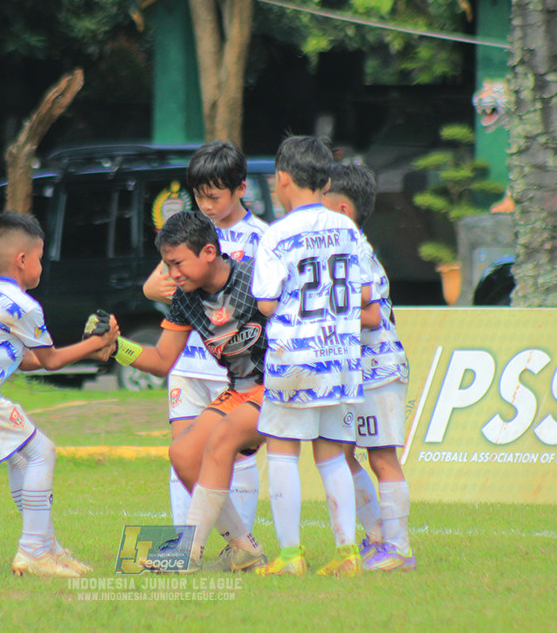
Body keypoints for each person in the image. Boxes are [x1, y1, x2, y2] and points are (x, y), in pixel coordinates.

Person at [0, 212, 118, 577]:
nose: (42, 264)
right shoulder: (25, 304)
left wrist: (91, 345)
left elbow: (25, 359)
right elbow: (51, 361)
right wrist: (96, 343)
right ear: (23, 260)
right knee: (42, 451)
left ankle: (48, 546)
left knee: (22, 460)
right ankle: (33, 551)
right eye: (39, 257)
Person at [107, 209, 269, 573]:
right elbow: (163, 359)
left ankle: (188, 554)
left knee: (221, 438)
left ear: (209, 253)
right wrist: (117, 347)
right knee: (182, 452)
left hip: (278, 385)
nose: (172, 275)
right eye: (166, 265)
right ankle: (245, 548)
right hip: (241, 390)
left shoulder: (256, 277)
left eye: (177, 264)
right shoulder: (185, 297)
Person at [251, 136, 375, 578]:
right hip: (341, 359)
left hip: (294, 359)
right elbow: (364, 293)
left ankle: (290, 557)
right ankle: (347, 555)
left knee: (283, 451)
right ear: (325, 181)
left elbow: (265, 303)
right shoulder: (349, 229)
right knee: (332, 455)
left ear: (282, 180)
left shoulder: (275, 234)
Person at [142, 140, 266, 536]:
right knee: (182, 455)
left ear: (240, 189)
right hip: (186, 360)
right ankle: (185, 540)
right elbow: (152, 287)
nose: (206, 205)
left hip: (235, 368)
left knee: (234, 455)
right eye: (199, 196)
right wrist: (179, 287)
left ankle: (238, 544)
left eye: (213, 196)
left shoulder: (260, 238)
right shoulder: (190, 233)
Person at [322, 163, 414, 571]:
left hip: (377, 367)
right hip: (351, 370)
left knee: (381, 458)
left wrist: (320, 320)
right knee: (339, 452)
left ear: (341, 210)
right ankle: (377, 536)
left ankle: (398, 548)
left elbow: (372, 316)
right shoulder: (338, 249)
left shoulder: (355, 249)